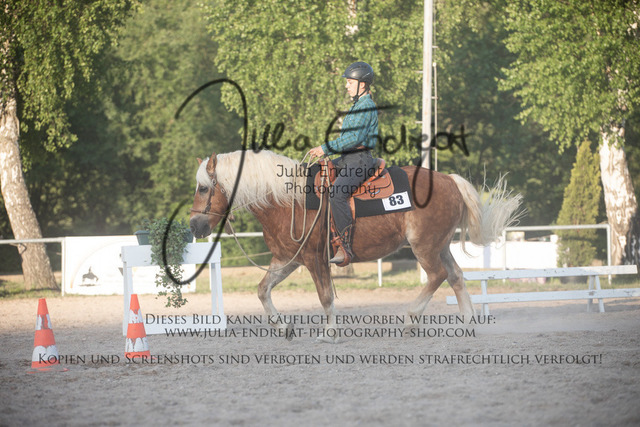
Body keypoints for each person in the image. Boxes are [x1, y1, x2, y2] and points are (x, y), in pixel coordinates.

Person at [309, 61, 379, 265]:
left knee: (337, 194)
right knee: (316, 174)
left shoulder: (365, 106)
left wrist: (325, 148)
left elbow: (354, 138)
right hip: (349, 158)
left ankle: (344, 246)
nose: (346, 86)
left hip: (359, 160)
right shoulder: (357, 105)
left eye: (350, 82)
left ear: (362, 84)